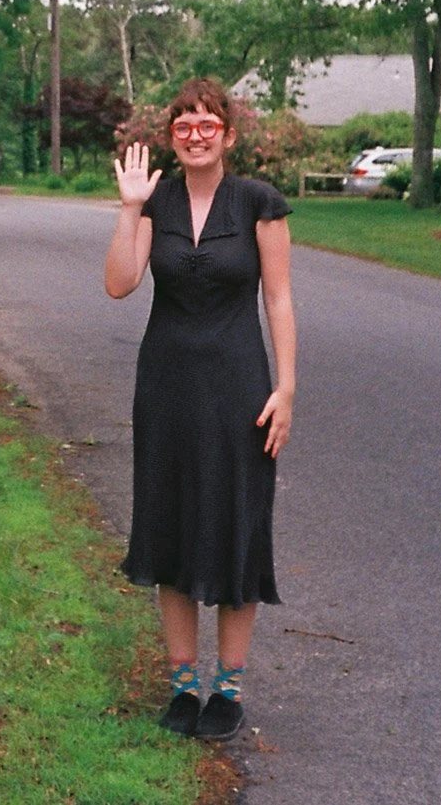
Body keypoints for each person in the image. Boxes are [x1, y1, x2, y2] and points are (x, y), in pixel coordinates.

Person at [103, 77, 296, 743]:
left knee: (236, 522)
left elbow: (279, 299)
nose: (194, 133)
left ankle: (228, 688)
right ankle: (184, 685)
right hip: (166, 387)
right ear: (172, 136)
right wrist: (130, 208)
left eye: (207, 123)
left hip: (240, 387)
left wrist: (286, 389)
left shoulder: (259, 203)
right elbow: (119, 283)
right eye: (183, 124)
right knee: (171, 523)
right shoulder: (156, 200)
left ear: (228, 134)